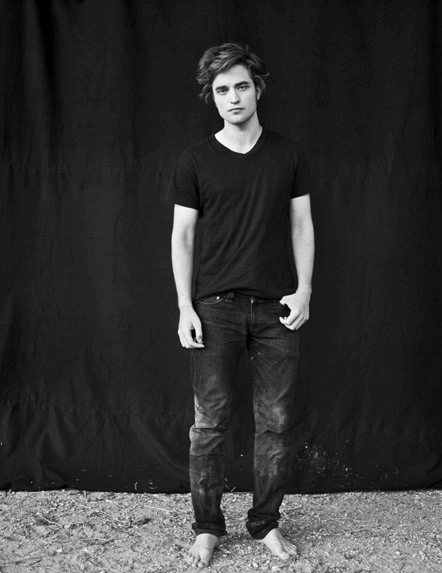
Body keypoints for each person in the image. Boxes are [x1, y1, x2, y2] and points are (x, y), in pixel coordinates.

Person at [169, 42, 315, 569]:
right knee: (209, 424)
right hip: (215, 308)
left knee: (275, 423)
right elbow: (183, 236)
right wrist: (185, 307)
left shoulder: (288, 154)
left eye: (241, 86)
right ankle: (208, 527)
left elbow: (302, 225)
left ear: (257, 90)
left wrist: (304, 289)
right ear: (212, 97)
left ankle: (266, 523)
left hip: (277, 309)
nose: (232, 97)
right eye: (222, 90)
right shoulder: (195, 160)